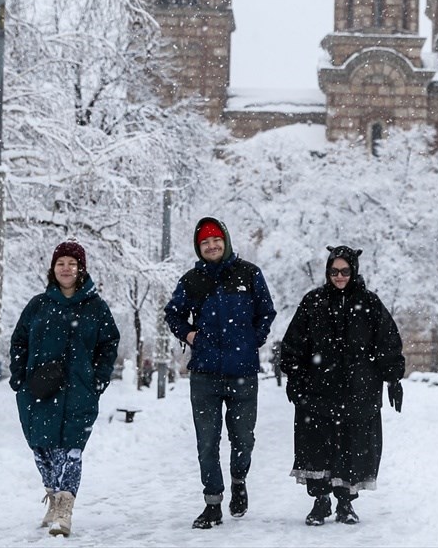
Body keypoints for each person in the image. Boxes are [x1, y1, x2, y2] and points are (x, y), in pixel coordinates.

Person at [164, 217, 277, 529]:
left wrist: (253, 339)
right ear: (199, 248)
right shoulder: (191, 280)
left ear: (225, 241)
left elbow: (267, 311)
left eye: (216, 240)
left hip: (243, 372)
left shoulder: (249, 274)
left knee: (243, 438)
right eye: (204, 242)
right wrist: (190, 335)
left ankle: (239, 479)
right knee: (207, 441)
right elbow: (172, 313)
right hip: (204, 375)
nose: (211, 246)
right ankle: (212, 502)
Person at [281, 245, 405, 526]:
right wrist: (294, 376)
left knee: (353, 446)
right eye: (334, 271)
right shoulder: (313, 302)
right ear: (328, 272)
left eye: (345, 271)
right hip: (318, 390)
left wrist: (393, 378)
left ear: (354, 271)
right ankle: (320, 501)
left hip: (358, 391)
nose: (339, 276)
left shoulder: (369, 303)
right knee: (318, 445)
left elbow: (387, 342)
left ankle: (345, 503)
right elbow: (294, 343)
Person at [9, 241, 120, 538]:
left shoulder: (96, 307)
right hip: (38, 392)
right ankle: (53, 497)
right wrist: (19, 377)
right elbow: (19, 340)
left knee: (70, 452)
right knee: (42, 451)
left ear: (81, 268)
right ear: (53, 268)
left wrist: (97, 379)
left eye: (72, 263)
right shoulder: (38, 305)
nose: (66, 268)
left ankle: (64, 509)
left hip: (79, 392)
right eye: (61, 263)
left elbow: (109, 344)